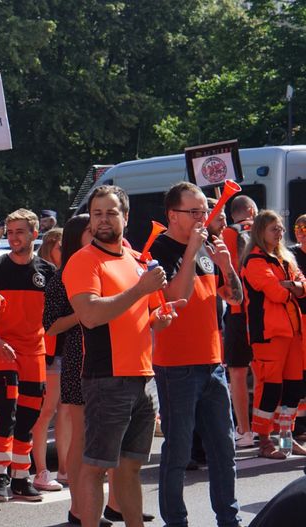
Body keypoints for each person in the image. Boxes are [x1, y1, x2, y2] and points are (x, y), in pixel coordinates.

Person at [64, 185, 184, 527]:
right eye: (97, 213)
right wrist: (140, 290)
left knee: (130, 467)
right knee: (96, 467)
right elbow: (90, 315)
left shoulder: (134, 261)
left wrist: (158, 319)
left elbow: (141, 317)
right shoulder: (83, 260)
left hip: (143, 377)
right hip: (107, 378)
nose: (103, 219)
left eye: (111, 212)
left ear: (125, 218)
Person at [151, 182, 242, 527]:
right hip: (176, 367)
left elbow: (235, 299)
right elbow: (177, 295)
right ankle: (176, 521)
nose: (204, 217)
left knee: (224, 449)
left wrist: (227, 264)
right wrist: (191, 251)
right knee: (178, 452)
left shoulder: (205, 248)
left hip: (212, 364)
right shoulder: (160, 248)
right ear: (173, 216)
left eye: (205, 210)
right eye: (196, 211)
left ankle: (228, 519)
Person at [0, 209, 55, 502]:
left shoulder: (48, 272)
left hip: (34, 350)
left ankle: (20, 476)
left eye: (20, 232)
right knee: (6, 408)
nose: (13, 237)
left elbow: (55, 314)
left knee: (28, 414)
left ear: (34, 234)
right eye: (9, 231)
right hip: (2, 348)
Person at [241, 210, 306, 458]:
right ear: (260, 232)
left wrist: (292, 287)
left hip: (292, 333)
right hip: (268, 335)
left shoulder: (286, 259)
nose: (279, 232)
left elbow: (302, 286)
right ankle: (265, 441)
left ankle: (286, 441)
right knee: (270, 389)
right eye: (273, 229)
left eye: (280, 228)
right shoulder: (255, 261)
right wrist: (293, 288)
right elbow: (276, 293)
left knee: (292, 389)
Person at [31, 227, 70, 492]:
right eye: (61, 246)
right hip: (49, 352)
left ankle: (65, 468)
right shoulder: (43, 275)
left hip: (65, 351)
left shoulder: (66, 272)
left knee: (65, 412)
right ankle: (42, 470)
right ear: (52, 245)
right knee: (47, 413)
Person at [223, 195, 258, 448]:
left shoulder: (228, 232)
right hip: (263, 309)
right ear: (251, 210)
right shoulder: (261, 229)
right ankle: (263, 428)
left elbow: (225, 271)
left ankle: (244, 430)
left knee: (237, 371)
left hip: (237, 309)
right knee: (263, 370)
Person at [291, 214, 306, 441]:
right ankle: (297, 427)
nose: (302, 232)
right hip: (297, 320)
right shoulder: (291, 254)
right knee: (298, 374)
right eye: (299, 228)